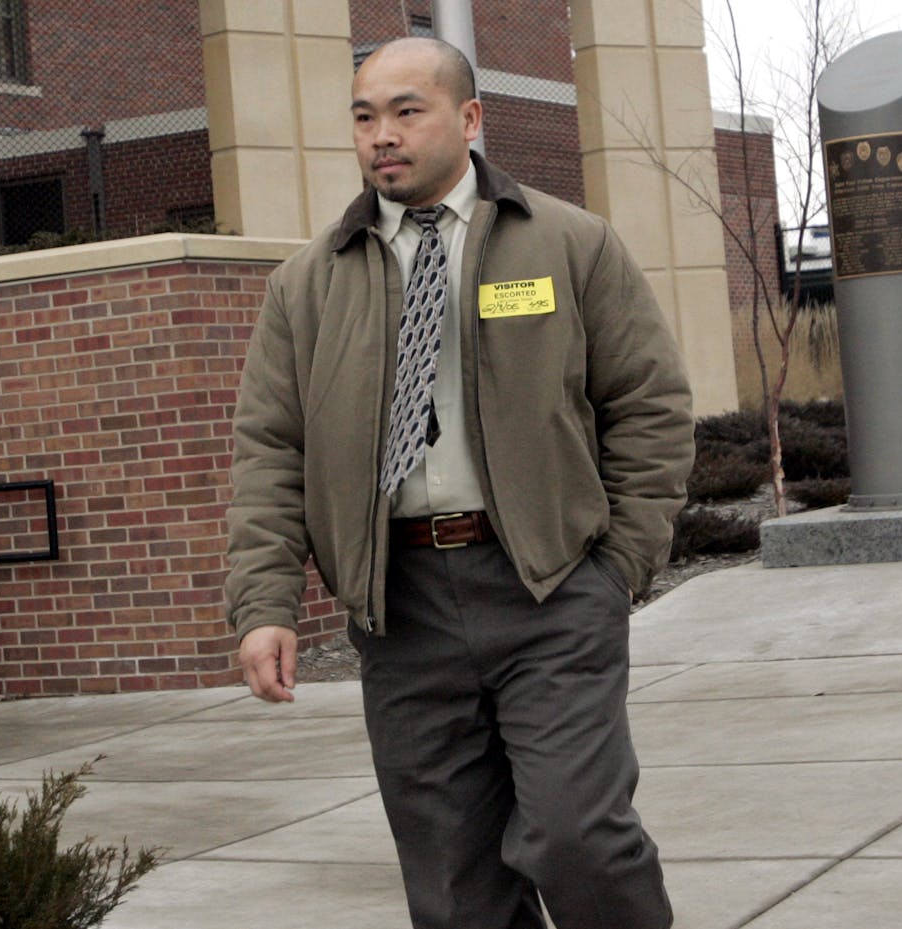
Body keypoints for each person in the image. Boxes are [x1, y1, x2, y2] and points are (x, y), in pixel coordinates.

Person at [225, 36, 694, 929]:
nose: (381, 136)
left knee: (576, 835)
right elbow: (270, 452)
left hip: (548, 589)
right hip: (402, 611)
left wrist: (618, 566)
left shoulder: (570, 243)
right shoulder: (307, 286)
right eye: (365, 118)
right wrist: (265, 604)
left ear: (470, 119)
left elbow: (651, 405)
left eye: (407, 111)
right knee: (452, 883)